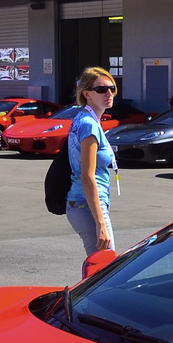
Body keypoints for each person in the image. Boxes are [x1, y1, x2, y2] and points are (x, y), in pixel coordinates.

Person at [67, 66, 118, 265]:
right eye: (101, 89)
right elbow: (87, 176)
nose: (108, 93)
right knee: (104, 269)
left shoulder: (85, 120)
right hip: (85, 204)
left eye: (111, 88)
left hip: (82, 203)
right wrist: (101, 224)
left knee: (101, 269)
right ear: (87, 94)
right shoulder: (88, 124)